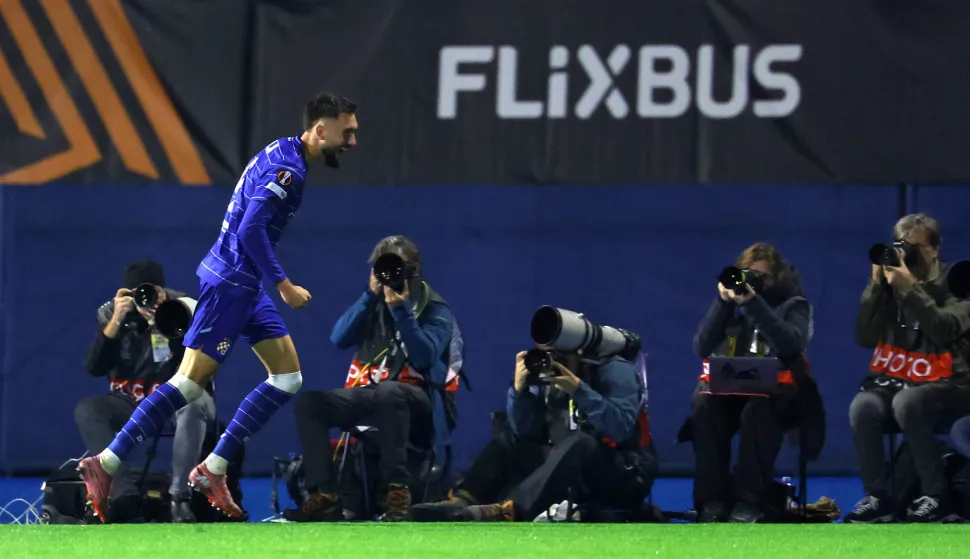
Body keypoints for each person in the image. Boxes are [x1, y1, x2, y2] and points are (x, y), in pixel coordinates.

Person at [76, 92, 360, 522]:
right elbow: (250, 230)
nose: (352, 141)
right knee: (188, 386)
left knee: (287, 378)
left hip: (243, 283)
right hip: (232, 283)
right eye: (347, 131)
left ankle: (214, 467)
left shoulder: (283, 149)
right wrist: (284, 285)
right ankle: (108, 463)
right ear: (322, 129)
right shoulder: (290, 169)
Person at [284, 236, 457, 522]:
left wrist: (401, 312)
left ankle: (397, 492)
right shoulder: (372, 304)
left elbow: (424, 358)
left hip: (420, 405)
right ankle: (325, 494)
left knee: (390, 392)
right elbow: (338, 338)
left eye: (396, 268)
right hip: (375, 395)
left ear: (413, 271)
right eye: (382, 268)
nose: (390, 276)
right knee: (310, 403)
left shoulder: (436, 309)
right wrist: (368, 295)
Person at [409, 349, 656, 523]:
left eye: (561, 355)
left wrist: (579, 389)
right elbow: (524, 432)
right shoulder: (547, 378)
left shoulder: (614, 371)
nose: (555, 361)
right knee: (508, 440)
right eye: (549, 354)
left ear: (580, 352)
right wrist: (519, 391)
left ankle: (512, 510)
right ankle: (463, 500)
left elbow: (620, 429)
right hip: (568, 473)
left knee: (582, 442)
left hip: (623, 474)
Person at [845, 213, 970, 524]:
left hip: (953, 385)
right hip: (902, 382)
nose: (909, 255)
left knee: (908, 401)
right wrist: (875, 286)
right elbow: (864, 336)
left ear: (935, 249)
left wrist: (911, 288)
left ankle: (936, 496)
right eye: (903, 247)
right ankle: (880, 496)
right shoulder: (890, 287)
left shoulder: (959, 282)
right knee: (863, 406)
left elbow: (944, 328)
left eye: (917, 247)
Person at [685, 242, 816, 523]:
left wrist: (753, 303)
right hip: (731, 390)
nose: (753, 282)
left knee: (757, 411)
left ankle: (749, 500)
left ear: (777, 277)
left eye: (762, 276)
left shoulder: (794, 304)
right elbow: (702, 345)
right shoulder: (729, 304)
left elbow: (790, 344)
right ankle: (711, 501)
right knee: (704, 405)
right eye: (748, 274)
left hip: (779, 394)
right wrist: (722, 302)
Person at [77, 259, 215, 523]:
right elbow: (94, 367)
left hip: (174, 402)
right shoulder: (113, 315)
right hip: (129, 403)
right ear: (125, 293)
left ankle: (179, 498)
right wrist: (116, 320)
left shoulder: (183, 309)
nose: (145, 300)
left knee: (194, 401)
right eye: (137, 294)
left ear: (162, 290)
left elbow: (201, 364)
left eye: (150, 292)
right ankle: (123, 496)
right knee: (89, 410)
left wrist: (165, 323)